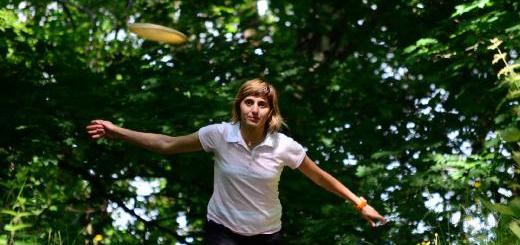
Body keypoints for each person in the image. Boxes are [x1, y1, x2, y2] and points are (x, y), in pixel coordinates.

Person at [86, 78, 385, 244]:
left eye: (262, 104)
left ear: (271, 112)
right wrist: (118, 132)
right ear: (239, 106)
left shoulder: (283, 146)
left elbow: (320, 177)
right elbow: (167, 144)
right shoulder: (218, 135)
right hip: (222, 230)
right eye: (249, 101)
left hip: (267, 234)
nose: (255, 109)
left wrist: (360, 204)